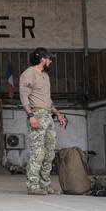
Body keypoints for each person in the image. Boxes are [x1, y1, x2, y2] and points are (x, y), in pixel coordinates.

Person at [19, 47, 67, 196]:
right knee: (38, 152)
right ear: (42, 59)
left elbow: (47, 99)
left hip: (48, 115)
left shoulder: (45, 76)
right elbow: (24, 96)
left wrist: (58, 114)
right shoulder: (28, 74)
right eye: (49, 58)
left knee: (49, 153)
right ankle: (33, 186)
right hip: (37, 115)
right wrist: (30, 115)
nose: (51, 61)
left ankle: (45, 185)